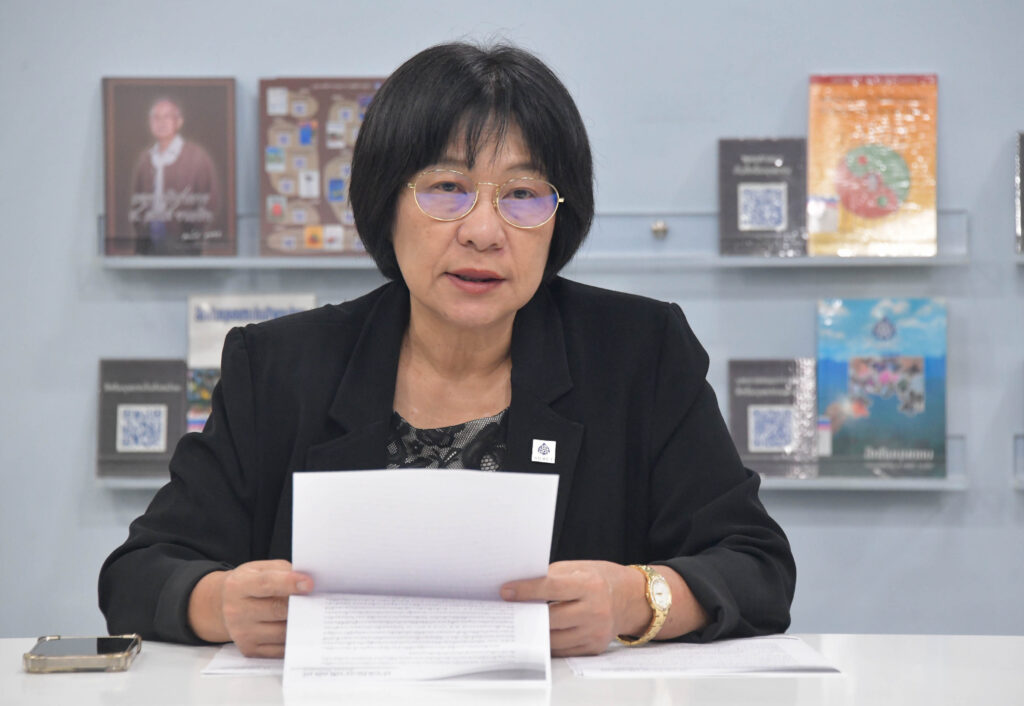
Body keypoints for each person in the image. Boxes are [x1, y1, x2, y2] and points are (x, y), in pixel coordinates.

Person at [99, 42, 795, 658]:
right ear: (385, 203)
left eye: (522, 194)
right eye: (447, 189)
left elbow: (758, 567)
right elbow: (136, 574)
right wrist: (220, 603)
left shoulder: (639, 353)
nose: (484, 231)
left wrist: (635, 599)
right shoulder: (279, 366)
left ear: (560, 217)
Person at [129, 97, 221, 254]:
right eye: (156, 118)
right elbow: (137, 201)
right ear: (150, 123)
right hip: (148, 238)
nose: (161, 123)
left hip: (183, 242)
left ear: (179, 122)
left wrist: (191, 234)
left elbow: (210, 201)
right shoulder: (146, 159)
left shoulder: (197, 157)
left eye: (167, 117)